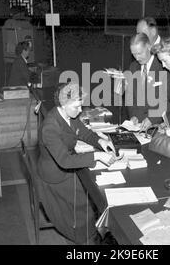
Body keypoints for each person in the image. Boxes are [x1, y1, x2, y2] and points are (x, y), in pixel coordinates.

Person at [37, 82, 117, 244]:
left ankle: (92, 231)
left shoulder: (68, 115)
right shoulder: (50, 127)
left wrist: (100, 141)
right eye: (76, 107)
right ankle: (84, 237)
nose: (80, 111)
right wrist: (96, 156)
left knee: (92, 194)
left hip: (63, 170)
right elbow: (65, 161)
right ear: (63, 104)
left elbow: (84, 132)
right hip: (55, 177)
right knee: (88, 199)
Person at [126, 32, 168, 130]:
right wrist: (134, 116)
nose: (137, 58)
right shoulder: (133, 67)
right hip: (138, 125)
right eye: (134, 54)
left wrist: (152, 119)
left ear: (149, 47)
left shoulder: (162, 66)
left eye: (139, 53)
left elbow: (167, 98)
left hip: (158, 126)